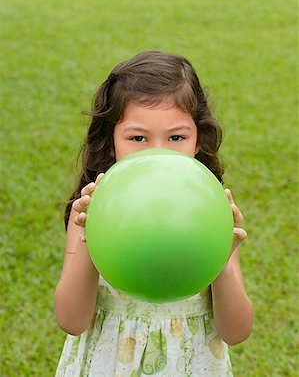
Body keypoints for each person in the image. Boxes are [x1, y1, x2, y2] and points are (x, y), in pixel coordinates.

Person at [54, 50, 253, 376]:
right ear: (112, 140)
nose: (157, 153)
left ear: (198, 140)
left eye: (176, 137)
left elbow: (236, 332)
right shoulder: (90, 211)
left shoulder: (208, 211)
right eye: (138, 138)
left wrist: (222, 258)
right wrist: (92, 238)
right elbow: (71, 321)